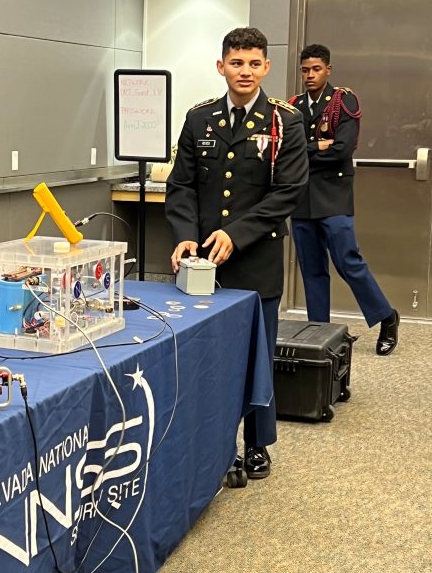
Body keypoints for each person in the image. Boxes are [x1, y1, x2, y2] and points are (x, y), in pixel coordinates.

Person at [166, 27, 308, 479]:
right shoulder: (198, 118)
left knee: (255, 356)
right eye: (236, 62)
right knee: (207, 354)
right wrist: (186, 234)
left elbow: (288, 191)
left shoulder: (285, 122)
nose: (244, 71)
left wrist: (238, 232)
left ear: (266, 67)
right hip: (202, 262)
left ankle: (257, 443)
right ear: (221, 66)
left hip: (255, 259)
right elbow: (182, 185)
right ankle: (210, 440)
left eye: (253, 63)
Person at [290, 44, 399, 355]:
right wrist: (318, 146)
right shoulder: (295, 105)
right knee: (311, 269)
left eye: (316, 69)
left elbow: (342, 149)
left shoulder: (343, 100)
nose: (310, 75)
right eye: (305, 70)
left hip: (334, 196)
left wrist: (315, 149)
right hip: (302, 196)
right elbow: (289, 150)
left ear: (328, 70)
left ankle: (387, 317)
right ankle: (320, 334)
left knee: (347, 261)